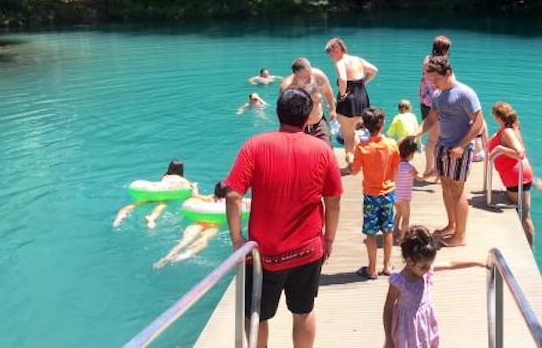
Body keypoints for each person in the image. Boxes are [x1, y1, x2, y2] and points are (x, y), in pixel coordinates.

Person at [222, 88, 343, 348]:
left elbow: (232, 196)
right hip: (308, 250)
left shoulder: (255, 146)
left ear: (278, 113)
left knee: (256, 315)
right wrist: (329, 239)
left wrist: (237, 239)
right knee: (303, 311)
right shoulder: (322, 150)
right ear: (308, 115)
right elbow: (333, 202)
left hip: (264, 254)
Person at [407, 56, 483, 247]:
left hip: (460, 149)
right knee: (446, 186)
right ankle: (451, 225)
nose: (433, 83)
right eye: (431, 80)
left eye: (436, 79)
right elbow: (432, 119)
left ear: (447, 73)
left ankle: (460, 235)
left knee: (457, 189)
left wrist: (462, 146)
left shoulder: (465, 94)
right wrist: (416, 134)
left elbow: (478, 123)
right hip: (443, 146)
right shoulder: (438, 95)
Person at [382, 226, 482, 348]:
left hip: (425, 326)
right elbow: (388, 308)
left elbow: (450, 264)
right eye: (424, 267)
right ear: (409, 260)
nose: (428, 269)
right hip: (407, 330)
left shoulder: (425, 271)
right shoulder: (399, 281)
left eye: (430, 265)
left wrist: (477, 262)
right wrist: (389, 338)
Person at [488, 102, 542, 247]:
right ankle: (525, 243)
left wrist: (500, 149)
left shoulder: (508, 131)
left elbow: (519, 153)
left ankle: (530, 247)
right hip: (518, 176)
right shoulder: (509, 129)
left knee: (524, 215)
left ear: (496, 116)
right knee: (521, 211)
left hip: (516, 177)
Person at [350, 107, 399, 279]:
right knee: (388, 229)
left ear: (365, 126)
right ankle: (387, 265)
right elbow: (395, 168)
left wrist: (350, 158)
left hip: (371, 195)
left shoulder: (363, 148)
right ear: (382, 124)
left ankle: (372, 268)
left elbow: (354, 170)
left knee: (370, 232)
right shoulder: (392, 145)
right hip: (388, 193)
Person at [325, 37, 378, 164]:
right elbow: (374, 70)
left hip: (348, 101)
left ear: (338, 50)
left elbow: (342, 79)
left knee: (347, 136)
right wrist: (363, 82)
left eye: (330, 52)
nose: (330, 55)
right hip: (362, 98)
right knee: (354, 131)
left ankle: (351, 162)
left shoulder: (340, 63)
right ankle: (358, 158)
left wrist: (342, 95)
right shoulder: (357, 59)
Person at [153, 182, 229, 268]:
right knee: (204, 240)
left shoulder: (210, 198)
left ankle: (167, 257)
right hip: (213, 225)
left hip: (200, 221)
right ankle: (185, 255)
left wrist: (194, 186)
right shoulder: (230, 202)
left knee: (184, 241)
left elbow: (195, 196)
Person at [112, 160, 196, 229]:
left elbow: (161, 185)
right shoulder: (183, 180)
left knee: (137, 203)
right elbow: (191, 192)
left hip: (152, 191)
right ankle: (151, 219)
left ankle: (119, 217)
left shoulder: (165, 176)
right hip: (163, 194)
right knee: (162, 204)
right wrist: (194, 187)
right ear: (181, 169)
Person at [280, 57, 337, 146]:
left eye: (310, 73)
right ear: (296, 74)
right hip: (298, 127)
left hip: (318, 121)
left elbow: (328, 92)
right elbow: (284, 112)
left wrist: (333, 110)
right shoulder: (287, 88)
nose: (310, 78)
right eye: (305, 77)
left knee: (327, 149)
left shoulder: (318, 76)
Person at [417, 36, 451, 179]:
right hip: (437, 104)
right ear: (443, 49)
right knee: (435, 139)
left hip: (425, 101)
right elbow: (443, 84)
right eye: (448, 49)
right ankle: (433, 170)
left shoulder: (427, 59)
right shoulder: (441, 63)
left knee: (433, 138)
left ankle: (431, 169)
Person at [393, 138, 420, 243]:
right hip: (404, 197)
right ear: (410, 154)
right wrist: (431, 174)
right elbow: (419, 177)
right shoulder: (409, 167)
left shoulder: (395, 165)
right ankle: (402, 237)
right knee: (406, 217)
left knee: (398, 213)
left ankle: (395, 231)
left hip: (395, 195)